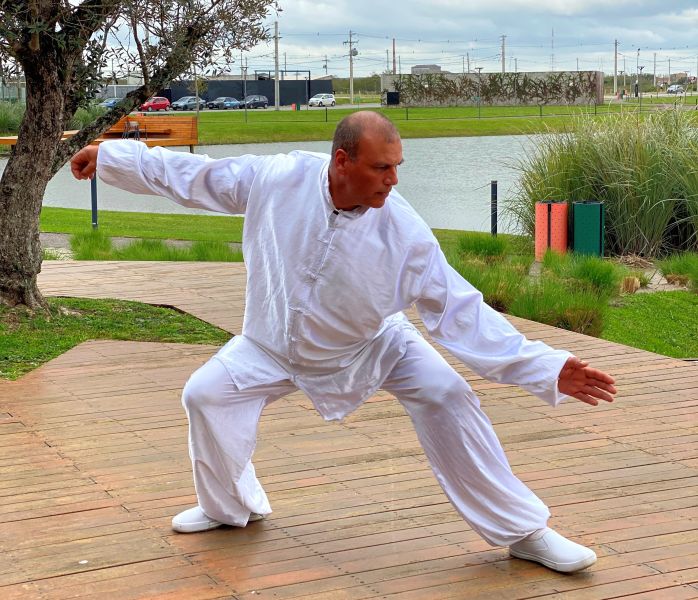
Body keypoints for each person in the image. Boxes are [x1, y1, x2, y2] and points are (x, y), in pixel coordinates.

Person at [71, 111, 616, 574]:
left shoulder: (406, 235)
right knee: (206, 395)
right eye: (382, 168)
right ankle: (229, 507)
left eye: (398, 167)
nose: (393, 181)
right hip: (271, 343)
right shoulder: (279, 177)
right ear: (341, 161)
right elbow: (197, 176)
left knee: (447, 395)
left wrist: (545, 367)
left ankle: (525, 532)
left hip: (375, 345)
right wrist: (114, 158)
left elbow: (461, 313)